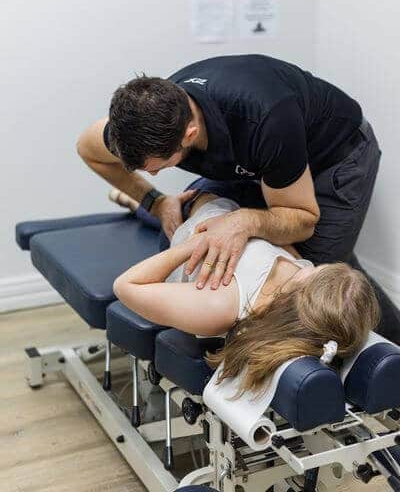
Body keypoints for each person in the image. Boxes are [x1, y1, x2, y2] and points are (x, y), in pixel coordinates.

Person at [77, 54, 400, 343]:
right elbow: (88, 150)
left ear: (189, 136)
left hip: (335, 158)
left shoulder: (264, 120)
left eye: (159, 167)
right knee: (190, 211)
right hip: (262, 163)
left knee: (320, 281)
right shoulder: (145, 120)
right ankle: (135, 205)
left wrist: (244, 220)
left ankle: (391, 362)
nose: (157, 176)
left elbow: (302, 219)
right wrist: (155, 202)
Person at [113, 192, 380, 395]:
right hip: (229, 210)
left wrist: (196, 243)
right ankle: (142, 204)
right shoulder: (300, 274)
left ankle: (140, 203)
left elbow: (126, 286)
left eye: (318, 271)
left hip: (194, 223)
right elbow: (282, 243)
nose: (312, 266)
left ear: (300, 297)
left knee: (176, 210)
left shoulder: (221, 304)